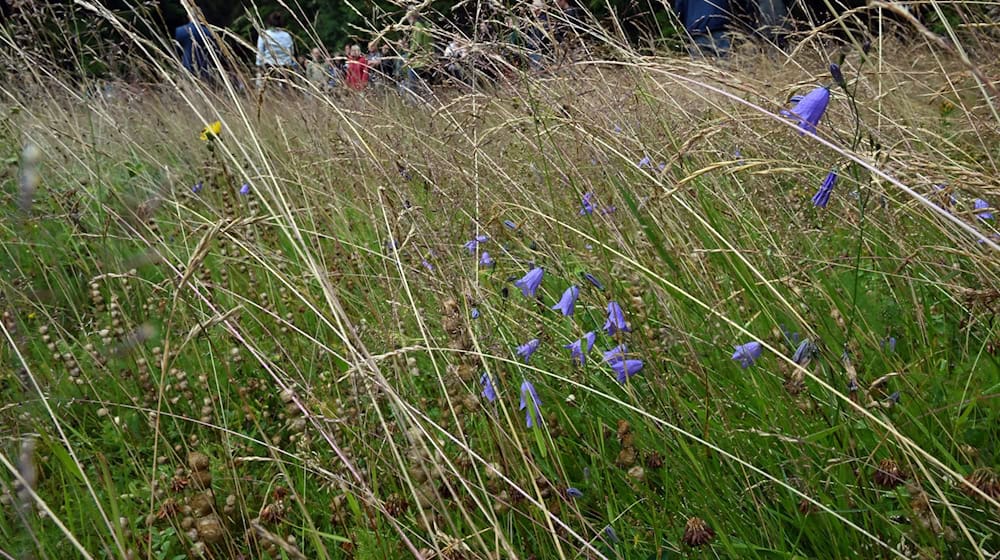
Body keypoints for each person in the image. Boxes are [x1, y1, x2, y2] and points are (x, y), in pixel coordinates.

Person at [256, 11, 295, 88]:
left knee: (270, 88)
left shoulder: (264, 35)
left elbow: (260, 52)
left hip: (269, 66)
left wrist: (259, 65)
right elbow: (291, 52)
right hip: (285, 66)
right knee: (287, 89)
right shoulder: (287, 36)